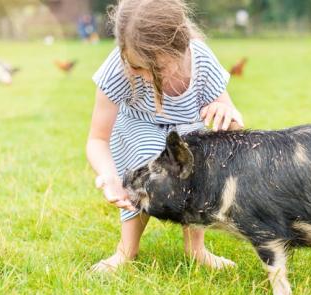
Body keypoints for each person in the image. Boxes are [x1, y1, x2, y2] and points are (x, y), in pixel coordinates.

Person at [86, 0, 244, 272]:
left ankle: (196, 248)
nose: (145, 76)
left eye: (156, 70)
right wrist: (110, 177)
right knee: (146, 163)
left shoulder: (201, 61)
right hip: (138, 130)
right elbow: (97, 139)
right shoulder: (118, 67)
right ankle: (127, 250)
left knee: (192, 160)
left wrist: (226, 113)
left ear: (180, 47)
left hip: (185, 132)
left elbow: (235, 129)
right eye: (136, 67)